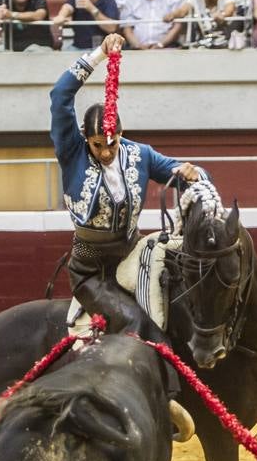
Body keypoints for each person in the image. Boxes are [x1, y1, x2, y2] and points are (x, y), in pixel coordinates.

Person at [47, 31, 202, 338]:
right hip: (91, 271)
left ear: (121, 134)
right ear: (84, 139)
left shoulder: (139, 154)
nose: (105, 152)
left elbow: (176, 170)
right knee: (136, 324)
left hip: (133, 257)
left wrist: (190, 172)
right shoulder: (72, 151)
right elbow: (60, 96)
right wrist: (98, 56)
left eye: (111, 144)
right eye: (96, 145)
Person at [53, 0, 120, 50]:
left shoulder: (108, 1)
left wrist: (92, 9)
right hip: (77, 47)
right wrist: (61, 16)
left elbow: (111, 28)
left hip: (101, 48)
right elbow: (67, 7)